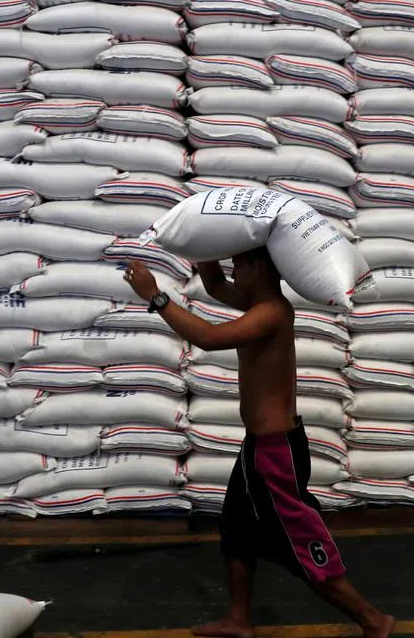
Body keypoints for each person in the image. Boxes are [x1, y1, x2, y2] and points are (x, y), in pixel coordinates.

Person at [124, 249, 393, 638]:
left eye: (242, 262)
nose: (235, 269)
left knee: (297, 542)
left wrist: (156, 296)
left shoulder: (271, 312)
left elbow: (208, 336)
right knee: (235, 528)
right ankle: (239, 619)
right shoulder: (258, 303)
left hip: (275, 452)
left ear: (262, 267)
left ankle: (372, 619)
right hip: (258, 447)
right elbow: (215, 285)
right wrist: (205, 250)